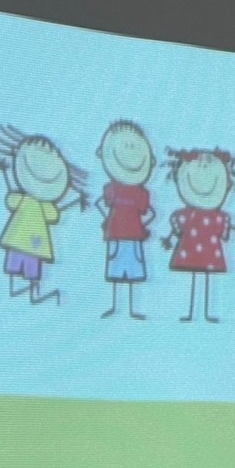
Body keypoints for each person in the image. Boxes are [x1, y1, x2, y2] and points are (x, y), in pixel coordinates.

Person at [0, 125, 89, 304]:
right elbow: (13, 201)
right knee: (16, 267)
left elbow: (53, 214)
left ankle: (31, 292)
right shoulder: (27, 200)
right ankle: (22, 291)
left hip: (33, 244)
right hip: (21, 241)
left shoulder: (42, 205)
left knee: (31, 269)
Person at [164, 146, 235, 322]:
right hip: (194, 249)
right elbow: (178, 224)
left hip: (208, 251)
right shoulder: (190, 214)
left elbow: (223, 230)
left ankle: (206, 312)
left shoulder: (215, 216)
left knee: (206, 280)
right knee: (196, 278)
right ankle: (192, 312)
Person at [96, 119, 156, 319]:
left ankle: (131, 308)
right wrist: (107, 220)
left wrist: (142, 227)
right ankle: (115, 306)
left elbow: (151, 213)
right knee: (115, 270)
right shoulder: (112, 189)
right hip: (116, 234)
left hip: (133, 237)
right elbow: (100, 204)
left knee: (132, 272)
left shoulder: (140, 193)